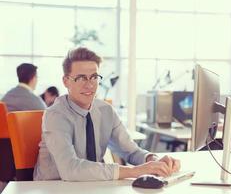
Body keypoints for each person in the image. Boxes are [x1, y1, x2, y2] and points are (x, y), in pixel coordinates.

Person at [33, 47, 180, 181]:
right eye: (81, 78)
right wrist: (134, 171)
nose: (89, 84)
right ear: (66, 81)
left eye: (94, 77)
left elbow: (131, 151)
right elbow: (71, 170)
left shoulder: (106, 110)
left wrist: (152, 159)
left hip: (93, 186)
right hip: (54, 187)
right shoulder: (55, 115)